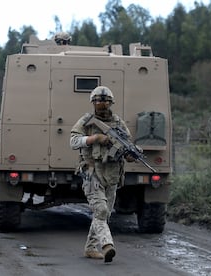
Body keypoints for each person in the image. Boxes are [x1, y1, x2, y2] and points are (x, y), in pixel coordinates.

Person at [70, 86, 134, 263]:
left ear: (111, 102)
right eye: (98, 101)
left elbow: (126, 146)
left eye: (105, 101)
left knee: (104, 214)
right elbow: (73, 141)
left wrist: (130, 155)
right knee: (101, 209)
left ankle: (90, 248)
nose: (101, 104)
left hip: (112, 174)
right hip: (92, 172)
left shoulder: (119, 124)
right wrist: (94, 139)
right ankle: (107, 245)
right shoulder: (86, 121)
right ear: (93, 102)